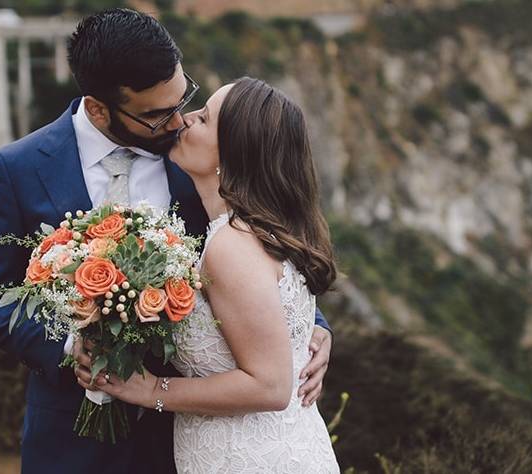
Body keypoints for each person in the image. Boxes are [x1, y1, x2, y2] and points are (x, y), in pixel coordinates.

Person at [0, 9, 333, 474]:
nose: (179, 121)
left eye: (185, 99)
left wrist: (312, 327)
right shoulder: (18, 168)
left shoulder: (198, 155)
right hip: (70, 440)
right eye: (158, 115)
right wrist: (68, 347)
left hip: (192, 434)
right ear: (99, 108)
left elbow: (262, 242)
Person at [77, 77, 340, 473]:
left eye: (204, 118)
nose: (183, 120)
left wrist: (152, 390)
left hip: (252, 459)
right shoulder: (252, 230)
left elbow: (269, 385)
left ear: (230, 153)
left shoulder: (231, 246)